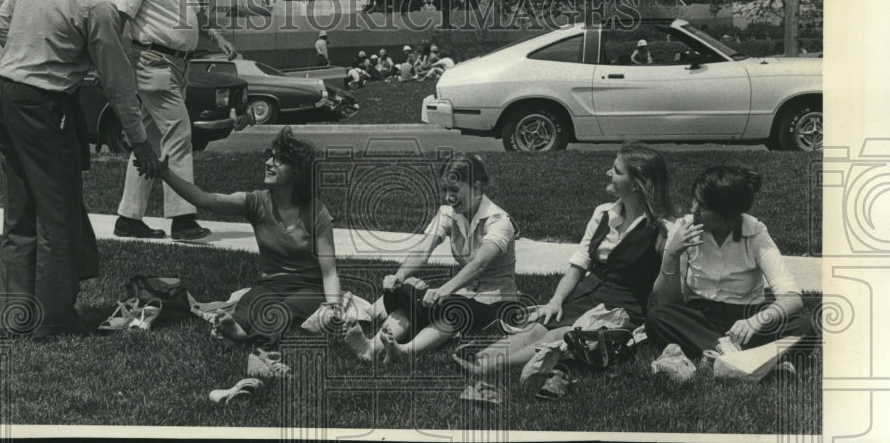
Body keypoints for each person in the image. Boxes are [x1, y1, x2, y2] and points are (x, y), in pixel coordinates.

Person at [0, 0, 161, 338]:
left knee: (20, 213)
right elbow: (120, 89)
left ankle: (18, 318)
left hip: (3, 94)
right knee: (58, 216)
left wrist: (26, 59)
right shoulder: (98, 4)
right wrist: (142, 146)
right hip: (42, 105)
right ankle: (54, 320)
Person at [458, 143, 675, 374]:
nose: (608, 173)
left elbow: (667, 289)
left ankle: (492, 366)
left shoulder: (665, 230)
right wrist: (557, 300)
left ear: (636, 184)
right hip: (587, 293)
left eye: (616, 170)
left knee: (561, 334)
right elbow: (579, 263)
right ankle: (480, 356)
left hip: (623, 307)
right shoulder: (603, 213)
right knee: (540, 327)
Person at [149, 127, 342, 369]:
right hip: (271, 284)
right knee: (251, 303)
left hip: (310, 288)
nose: (269, 163)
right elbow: (205, 199)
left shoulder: (316, 211)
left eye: (279, 159)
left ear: (297, 172)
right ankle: (236, 328)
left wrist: (333, 306)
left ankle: (248, 340)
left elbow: (329, 272)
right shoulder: (256, 202)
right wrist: (166, 174)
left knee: (282, 310)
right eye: (269, 156)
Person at [112, 0, 237, 242]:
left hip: (178, 65)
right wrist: (121, 63)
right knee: (180, 133)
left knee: (151, 141)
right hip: (153, 63)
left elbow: (193, 12)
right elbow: (120, 17)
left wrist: (217, 36)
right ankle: (183, 218)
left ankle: (128, 217)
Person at [344, 154, 519, 363]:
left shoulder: (499, 220)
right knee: (408, 294)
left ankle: (404, 351)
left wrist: (444, 289)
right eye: (444, 190)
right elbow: (422, 251)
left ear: (477, 188)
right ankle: (371, 348)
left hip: (495, 303)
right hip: (463, 293)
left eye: (454, 190)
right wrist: (399, 276)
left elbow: (479, 264)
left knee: (453, 308)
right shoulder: (448, 214)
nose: (448, 197)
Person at [645, 166, 813, 358]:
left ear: (726, 213)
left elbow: (792, 297)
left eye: (703, 207)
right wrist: (672, 255)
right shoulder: (685, 228)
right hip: (700, 317)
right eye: (694, 200)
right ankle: (745, 357)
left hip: (746, 317)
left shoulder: (755, 232)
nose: (693, 209)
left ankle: (718, 352)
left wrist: (755, 322)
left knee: (803, 327)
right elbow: (665, 301)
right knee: (657, 318)